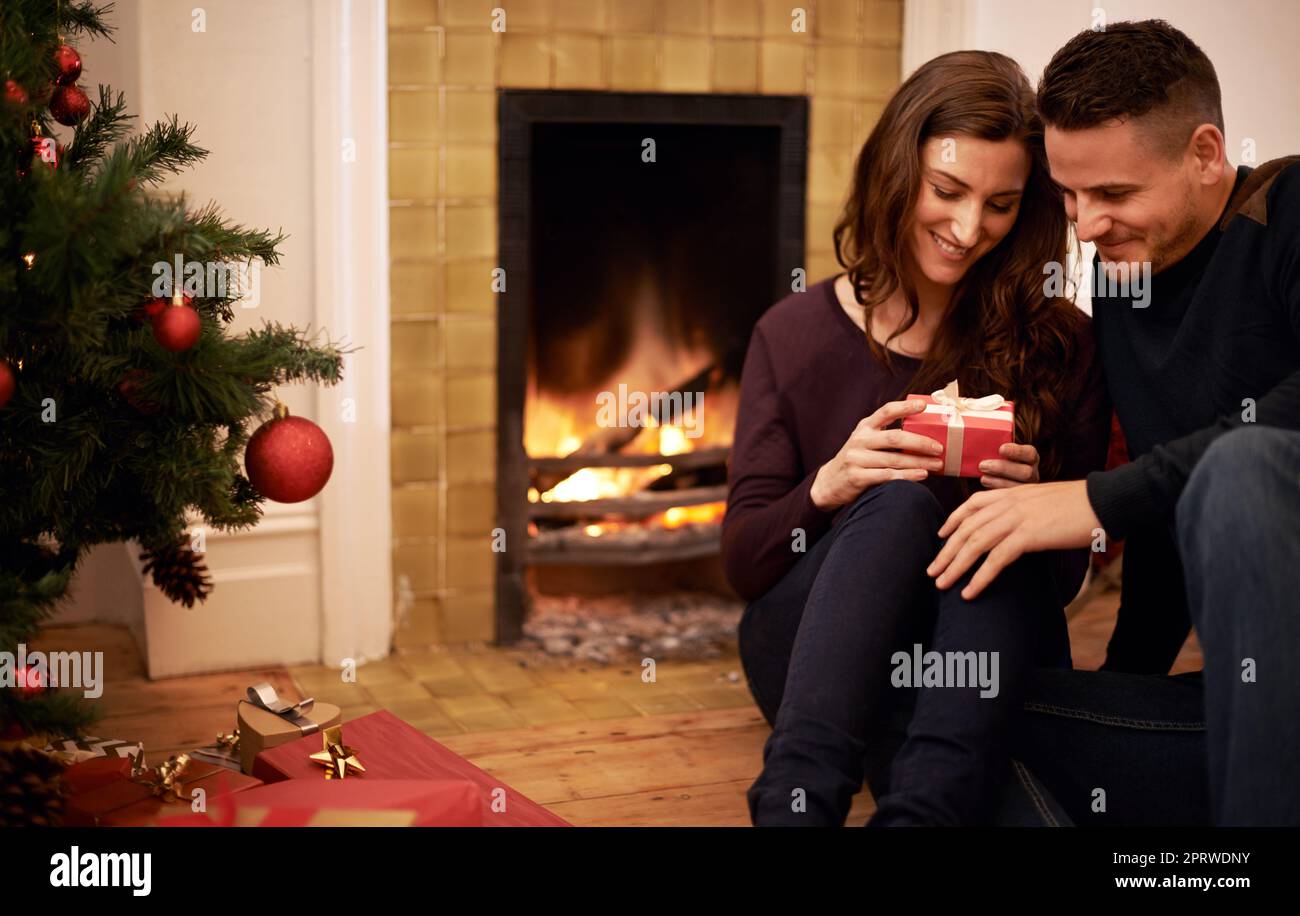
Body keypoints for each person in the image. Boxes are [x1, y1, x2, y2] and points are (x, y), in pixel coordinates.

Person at [723, 49, 1111, 826]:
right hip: (813, 660)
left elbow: (1068, 579)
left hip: (973, 662)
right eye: (946, 191)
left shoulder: (1060, 343)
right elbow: (745, 562)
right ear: (899, 174)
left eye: (1001, 204)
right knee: (898, 507)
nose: (969, 230)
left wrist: (1036, 511)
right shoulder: (792, 331)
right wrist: (829, 486)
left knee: (993, 534)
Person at [927, 20, 1300, 825]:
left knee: (1241, 468)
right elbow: (1169, 523)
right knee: (961, 711)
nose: (1086, 225)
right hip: (1254, 714)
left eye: (1114, 194)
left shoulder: (1291, 210)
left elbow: (1219, 473)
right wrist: (1126, 682)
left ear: (1205, 153)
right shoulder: (1125, 286)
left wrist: (1096, 500)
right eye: (1069, 194)